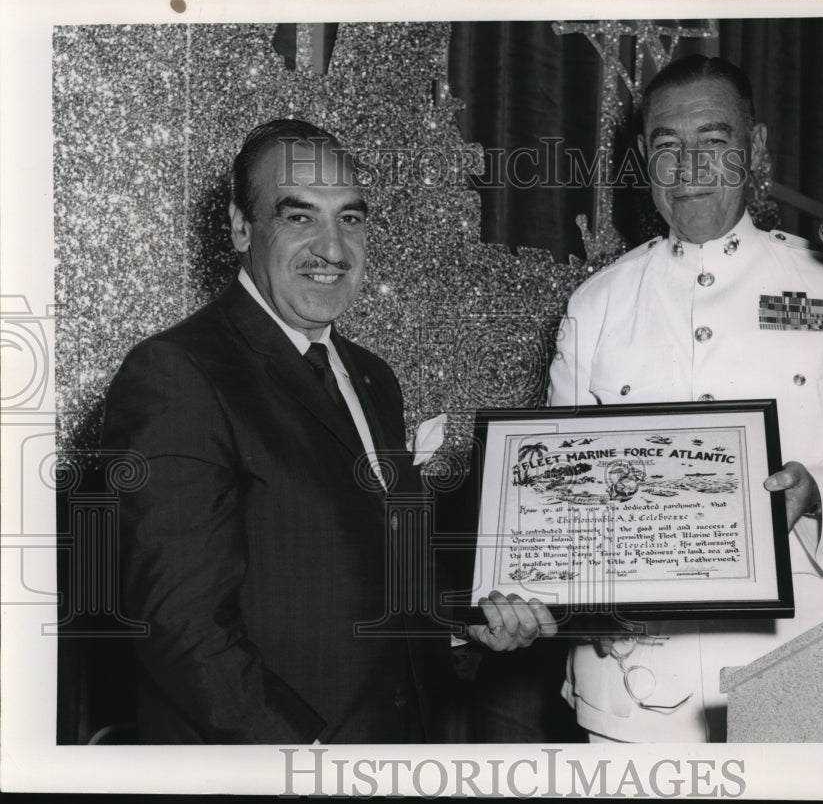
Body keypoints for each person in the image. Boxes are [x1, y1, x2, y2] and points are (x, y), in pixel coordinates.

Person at [102, 119, 552, 744]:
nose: (333, 249)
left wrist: (466, 619)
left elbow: (376, 568)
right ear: (240, 227)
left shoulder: (371, 378)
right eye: (299, 218)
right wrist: (306, 758)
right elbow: (179, 624)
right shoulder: (177, 372)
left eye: (351, 218)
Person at [546, 56, 823, 742]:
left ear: (755, 150)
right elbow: (558, 501)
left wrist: (817, 492)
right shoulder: (596, 304)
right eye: (668, 145)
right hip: (634, 694)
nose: (689, 167)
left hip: (808, 677)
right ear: (643, 159)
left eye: (714, 143)